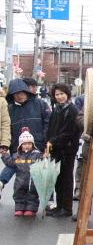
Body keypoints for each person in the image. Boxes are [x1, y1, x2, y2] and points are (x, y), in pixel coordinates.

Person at [2, 78, 51, 192]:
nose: (19, 96)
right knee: (21, 175)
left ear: (26, 91)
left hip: (38, 145)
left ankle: (49, 199)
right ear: (12, 95)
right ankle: (21, 201)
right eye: (15, 94)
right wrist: (7, 145)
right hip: (18, 147)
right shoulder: (10, 109)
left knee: (44, 172)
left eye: (21, 92)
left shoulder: (40, 103)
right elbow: (6, 127)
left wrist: (45, 141)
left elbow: (48, 122)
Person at [45, 83, 80, 218]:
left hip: (67, 150)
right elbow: (52, 129)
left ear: (67, 94)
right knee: (58, 179)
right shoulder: (57, 109)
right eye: (57, 94)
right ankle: (59, 206)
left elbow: (68, 132)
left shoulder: (72, 110)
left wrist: (52, 141)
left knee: (66, 179)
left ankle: (66, 208)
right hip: (56, 149)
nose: (60, 97)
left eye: (62, 94)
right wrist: (49, 143)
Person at [2, 128, 43, 216]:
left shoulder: (37, 154)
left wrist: (46, 156)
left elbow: (43, 161)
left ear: (33, 144)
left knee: (32, 194)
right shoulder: (17, 155)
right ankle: (19, 208)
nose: (27, 145)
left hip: (32, 181)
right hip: (20, 181)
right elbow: (10, 162)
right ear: (20, 145)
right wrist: (5, 155)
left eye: (29, 143)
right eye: (24, 144)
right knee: (19, 193)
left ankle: (31, 208)